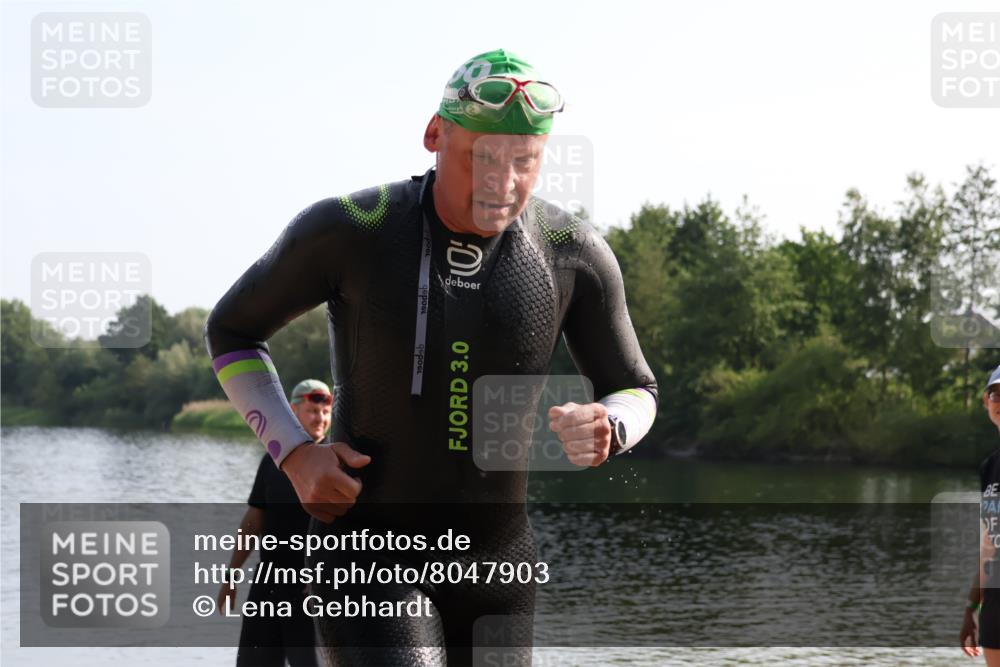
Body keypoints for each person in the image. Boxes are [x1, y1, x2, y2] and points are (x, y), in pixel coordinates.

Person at [205, 49, 659, 666]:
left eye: (525, 162)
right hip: (368, 564)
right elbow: (232, 329)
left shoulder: (571, 251)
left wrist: (612, 425)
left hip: (501, 574)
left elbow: (636, 388)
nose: (503, 183)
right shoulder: (357, 227)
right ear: (434, 135)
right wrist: (295, 453)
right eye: (483, 158)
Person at [217, 380, 333, 667]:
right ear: (293, 412)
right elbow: (254, 520)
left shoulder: (335, 462)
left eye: (325, 412)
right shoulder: (274, 460)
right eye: (312, 410)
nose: (320, 418)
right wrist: (232, 575)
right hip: (268, 582)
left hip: (311, 589)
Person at [962, 364, 1000, 663]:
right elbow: (989, 544)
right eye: (995, 395)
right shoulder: (989, 467)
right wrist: (971, 608)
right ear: (986, 403)